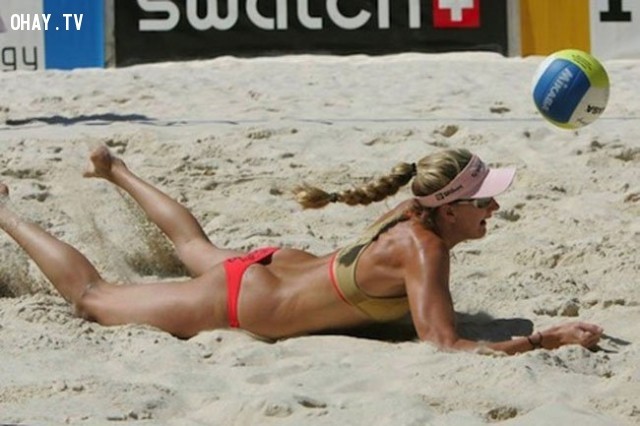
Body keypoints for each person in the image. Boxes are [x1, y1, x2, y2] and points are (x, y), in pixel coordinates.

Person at [0, 145, 603, 354]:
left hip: (276, 267)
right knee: (92, 297)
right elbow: (446, 346)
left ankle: (115, 169)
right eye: (485, 200)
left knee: (192, 243)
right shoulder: (426, 250)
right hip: (244, 301)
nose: (495, 208)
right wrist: (542, 339)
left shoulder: (411, 210)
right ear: (448, 209)